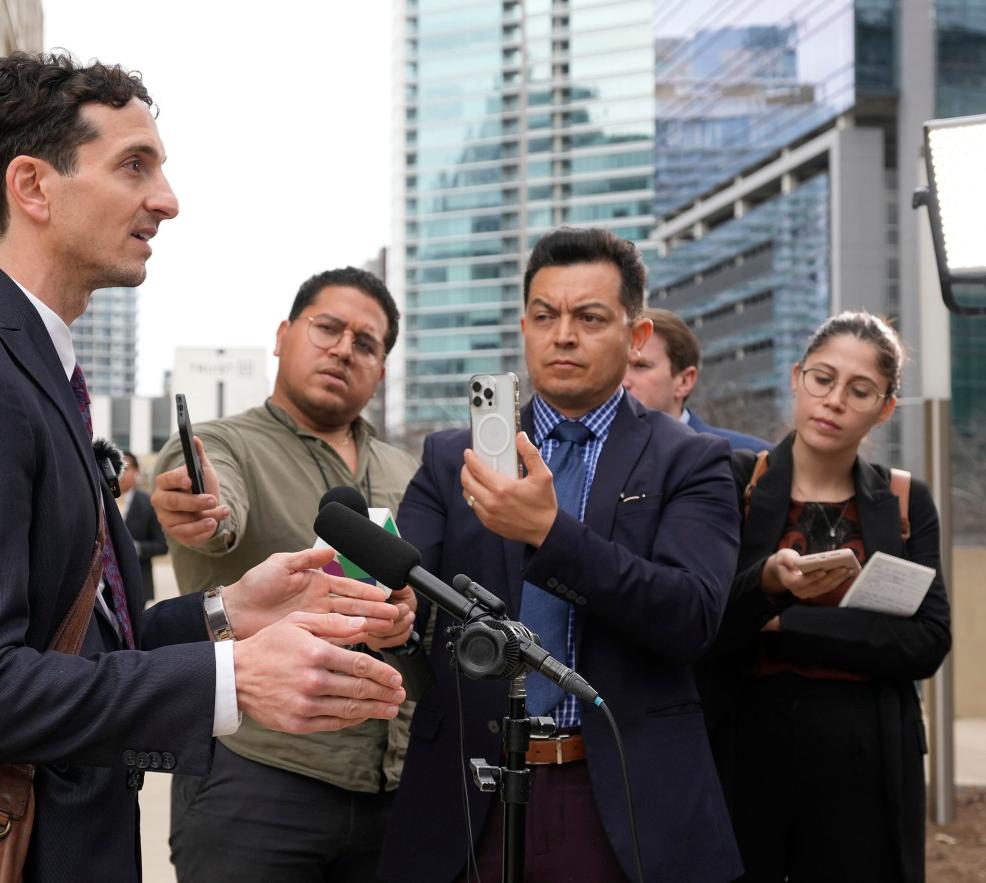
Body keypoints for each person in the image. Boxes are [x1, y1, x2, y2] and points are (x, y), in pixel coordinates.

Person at [0, 52, 407, 882]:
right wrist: (228, 679)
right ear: (33, 186)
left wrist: (228, 610)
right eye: (134, 165)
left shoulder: (31, 370)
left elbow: (70, 646)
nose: (167, 200)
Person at [378, 227, 743, 883]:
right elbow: (404, 585)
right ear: (524, 326)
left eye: (589, 317)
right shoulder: (451, 458)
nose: (563, 334)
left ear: (636, 337)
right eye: (545, 316)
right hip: (468, 791)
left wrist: (552, 534)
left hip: (623, 792)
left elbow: (691, 614)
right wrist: (382, 598)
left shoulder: (691, 459)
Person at [151, 266, 421, 882]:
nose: (342, 349)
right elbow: (215, 506)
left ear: (380, 371)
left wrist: (404, 618)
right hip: (256, 779)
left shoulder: (404, 468)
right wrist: (202, 507)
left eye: (365, 343)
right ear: (283, 335)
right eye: (327, 328)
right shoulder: (226, 444)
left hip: (391, 786)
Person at [698, 312, 951, 883]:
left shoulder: (905, 500)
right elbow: (704, 623)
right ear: (796, 378)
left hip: (869, 761)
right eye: (822, 379)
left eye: (859, 390)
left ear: (885, 407)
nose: (834, 400)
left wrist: (782, 625)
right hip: (746, 752)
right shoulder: (735, 482)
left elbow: (927, 641)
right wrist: (766, 587)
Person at [624, 307, 771, 452]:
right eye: (619, 367)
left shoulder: (749, 457)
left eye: (640, 366)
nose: (624, 382)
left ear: (684, 382)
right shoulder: (604, 456)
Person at [119, 449, 168, 603]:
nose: (119, 472)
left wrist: (136, 548)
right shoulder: (98, 500)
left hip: (137, 584)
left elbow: (162, 545)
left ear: (136, 471)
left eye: (125, 467)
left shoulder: (148, 503)